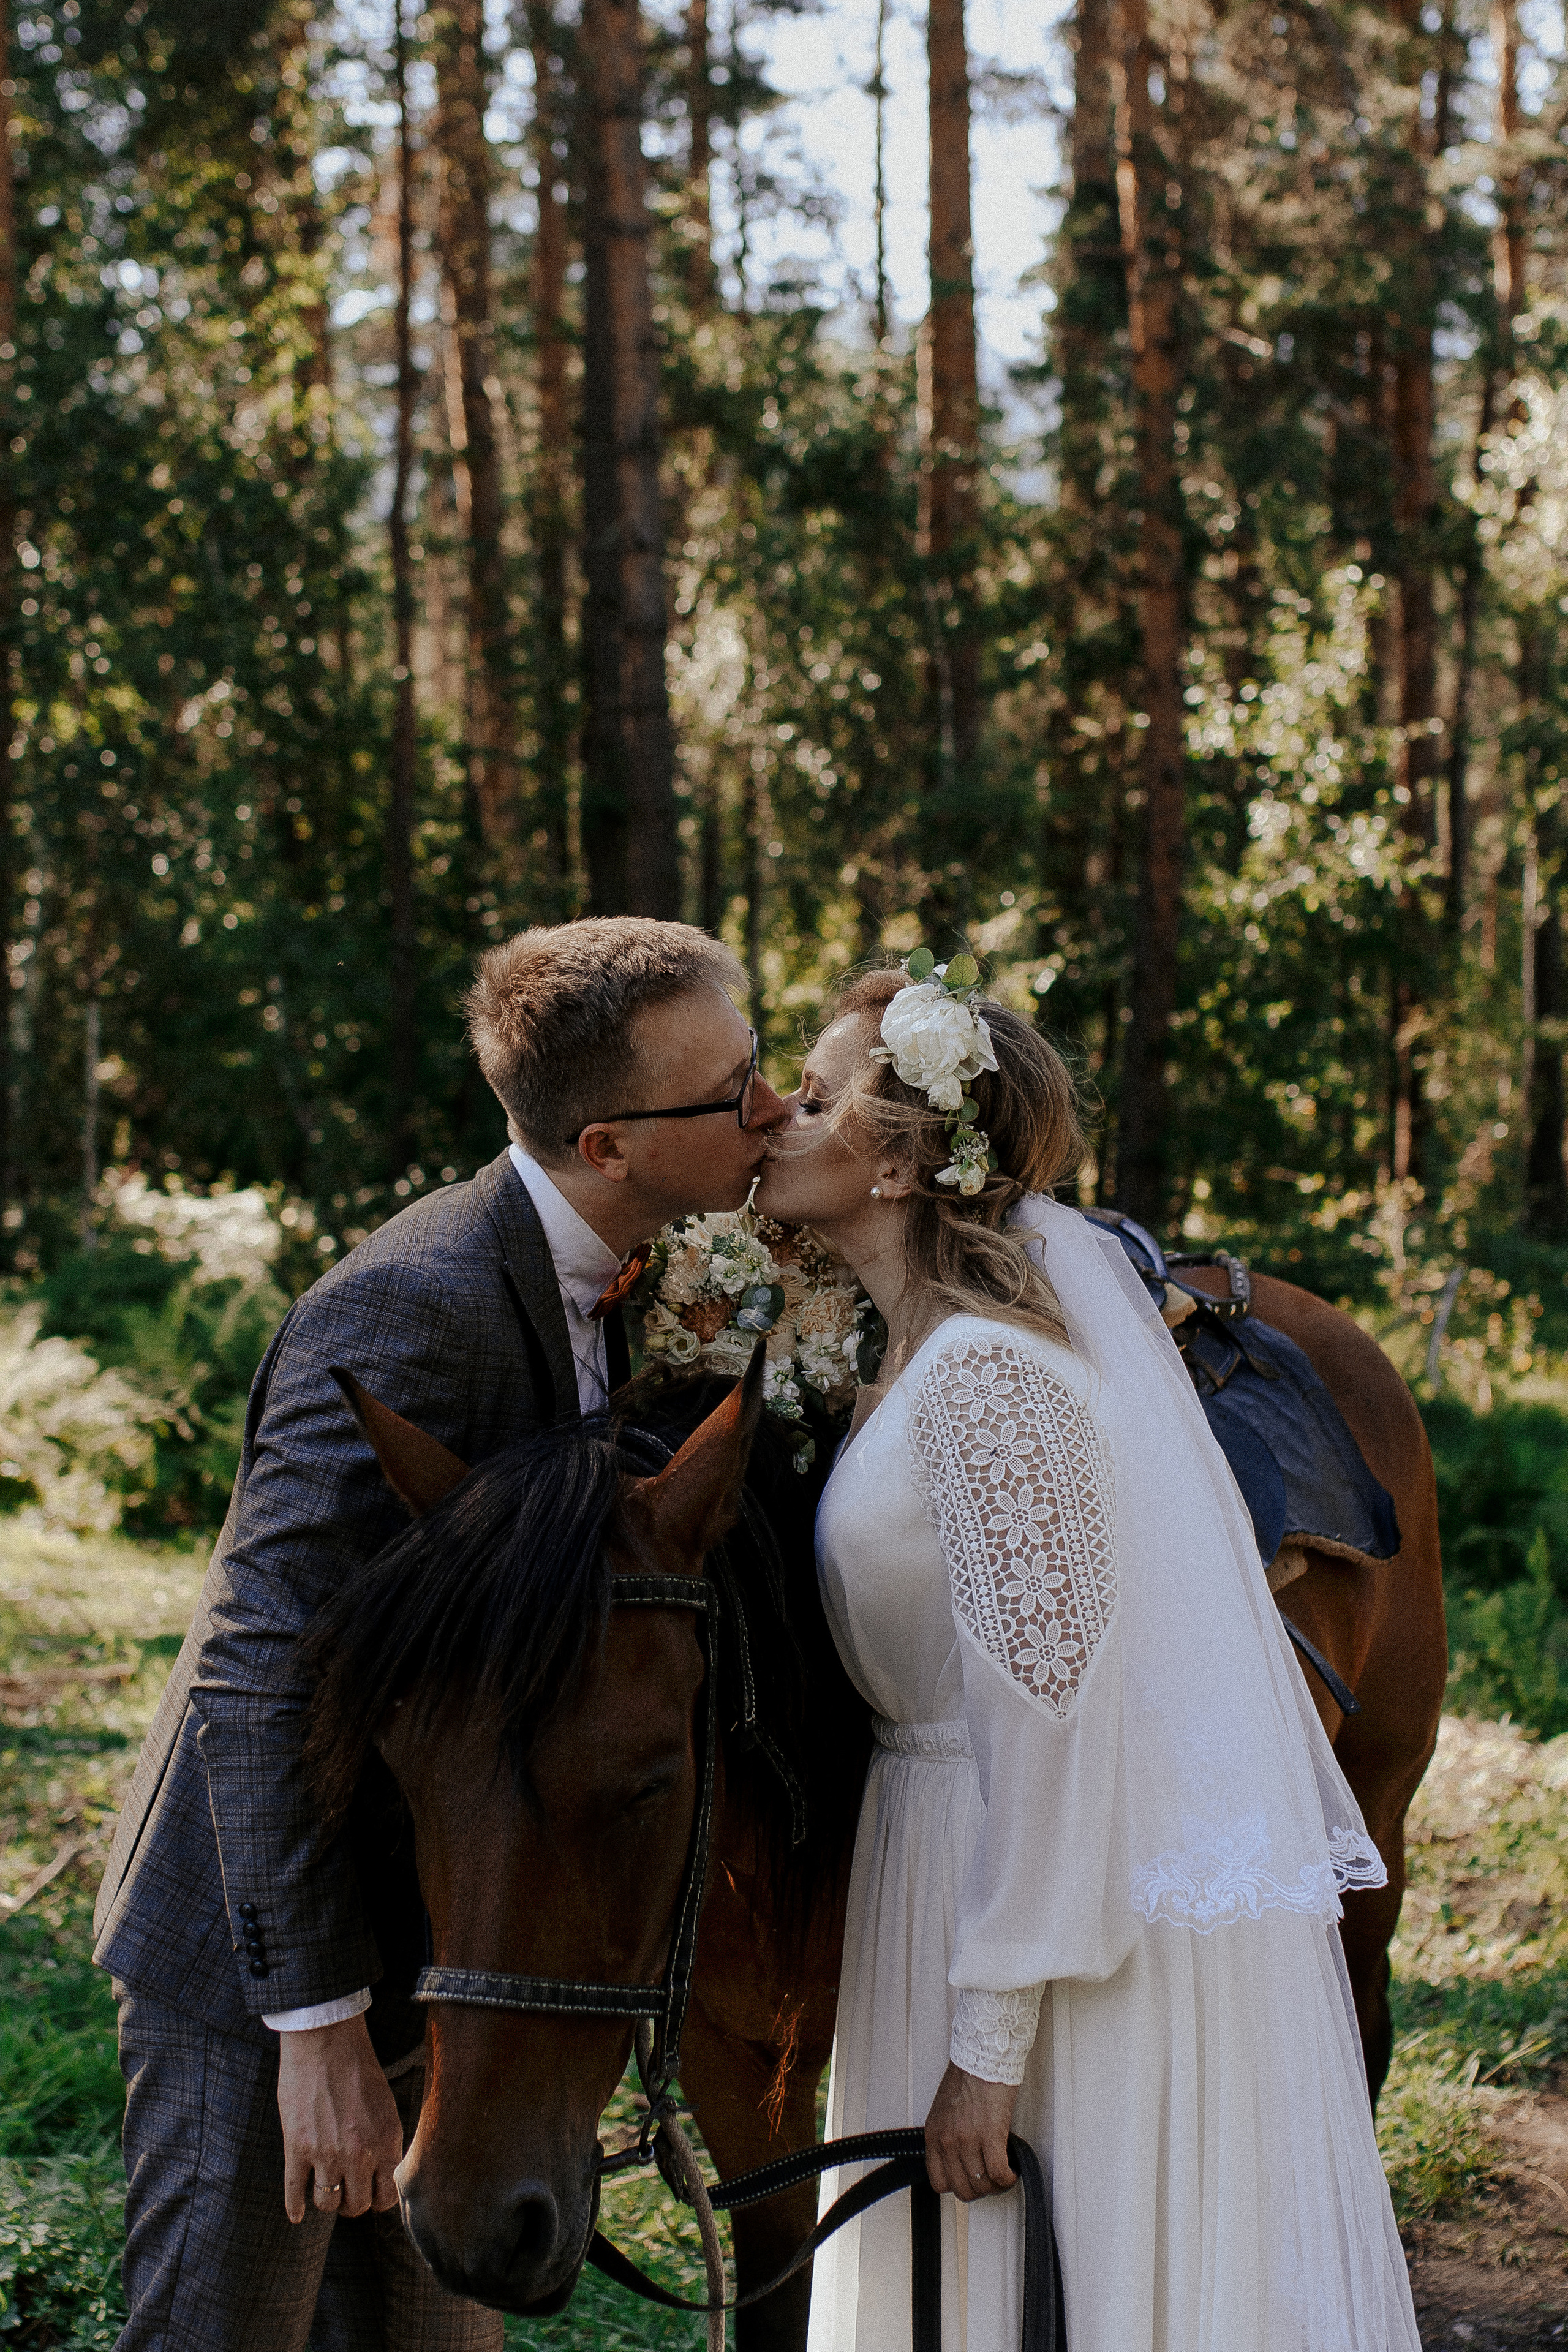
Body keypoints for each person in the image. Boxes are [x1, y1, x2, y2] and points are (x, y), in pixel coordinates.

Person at [92, 916, 787, 2352]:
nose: (770, 1111)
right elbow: (254, 1663)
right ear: (608, 1146)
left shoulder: (633, 1264)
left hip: (456, 1935)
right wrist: (316, 2026)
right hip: (267, 1959)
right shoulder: (417, 1304)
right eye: (731, 1093)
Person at [755, 962, 1421, 2352]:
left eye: (810, 1098)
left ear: (896, 1160)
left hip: (1037, 1933)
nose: (771, 1115)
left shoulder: (995, 1385)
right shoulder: (905, 1358)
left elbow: (1053, 1729)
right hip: (939, 1871)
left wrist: (987, 2056)